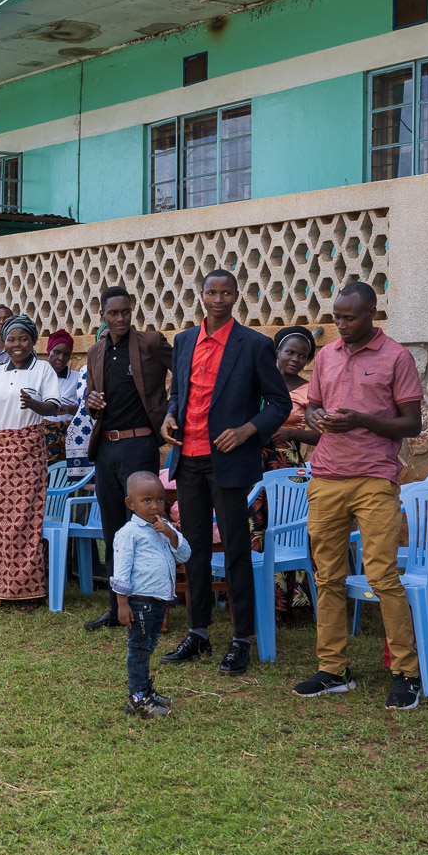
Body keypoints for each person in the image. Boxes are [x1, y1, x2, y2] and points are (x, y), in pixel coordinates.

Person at [294, 282, 425, 709]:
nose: (341, 325)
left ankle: (406, 673)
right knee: (328, 577)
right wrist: (316, 416)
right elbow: (312, 408)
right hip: (326, 477)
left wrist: (362, 420)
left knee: (383, 576)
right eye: (337, 317)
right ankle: (333, 670)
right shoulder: (326, 356)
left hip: (375, 478)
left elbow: (412, 424)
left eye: (349, 318)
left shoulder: (396, 357)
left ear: (372, 312)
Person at [159, 270, 291, 675]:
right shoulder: (184, 341)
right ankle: (198, 632)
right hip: (187, 460)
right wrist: (169, 415)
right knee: (194, 549)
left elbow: (279, 403)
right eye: (212, 292)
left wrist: (247, 430)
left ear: (236, 296)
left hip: (228, 463)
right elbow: (178, 393)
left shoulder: (254, 344)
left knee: (236, 550)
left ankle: (240, 640)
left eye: (226, 293)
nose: (219, 299)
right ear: (201, 295)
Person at [80, 286, 173, 632]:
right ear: (102, 315)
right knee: (114, 530)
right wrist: (91, 403)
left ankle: (150, 607)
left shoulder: (150, 342)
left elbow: (184, 373)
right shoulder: (96, 351)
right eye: (113, 313)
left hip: (139, 444)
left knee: (145, 527)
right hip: (106, 448)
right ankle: (116, 608)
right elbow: (92, 398)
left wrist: (170, 409)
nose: (120, 318)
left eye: (125, 312)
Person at [0, 313, 66, 606]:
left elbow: (53, 408)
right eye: (11, 339)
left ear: (32, 341)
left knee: (24, 521)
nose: (17, 344)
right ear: (4, 343)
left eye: (23, 339)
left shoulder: (42, 369)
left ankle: (27, 591)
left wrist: (33, 403)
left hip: (28, 451)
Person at [113, 471, 192, 719]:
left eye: (159, 499)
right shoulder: (129, 533)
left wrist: (171, 534)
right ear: (131, 503)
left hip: (158, 601)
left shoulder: (163, 528)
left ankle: (145, 690)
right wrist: (122, 603)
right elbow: (121, 569)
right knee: (138, 649)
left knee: (148, 646)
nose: (155, 506)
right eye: (146, 500)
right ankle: (137, 697)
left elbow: (185, 555)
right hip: (140, 601)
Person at [257, 325, 320, 615]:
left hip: (286, 465)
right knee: (257, 524)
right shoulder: (259, 381)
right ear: (277, 352)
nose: (295, 359)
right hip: (253, 462)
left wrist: (292, 432)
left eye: (302, 355)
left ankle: (290, 601)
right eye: (290, 352)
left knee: (285, 527)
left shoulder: (310, 390)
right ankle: (257, 599)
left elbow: (321, 435)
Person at [42, 330, 83, 465]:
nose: (61, 358)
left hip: (67, 442)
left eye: (66, 354)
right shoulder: (37, 376)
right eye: (57, 352)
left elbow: (87, 410)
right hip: (40, 441)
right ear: (49, 351)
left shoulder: (78, 379)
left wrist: (69, 409)